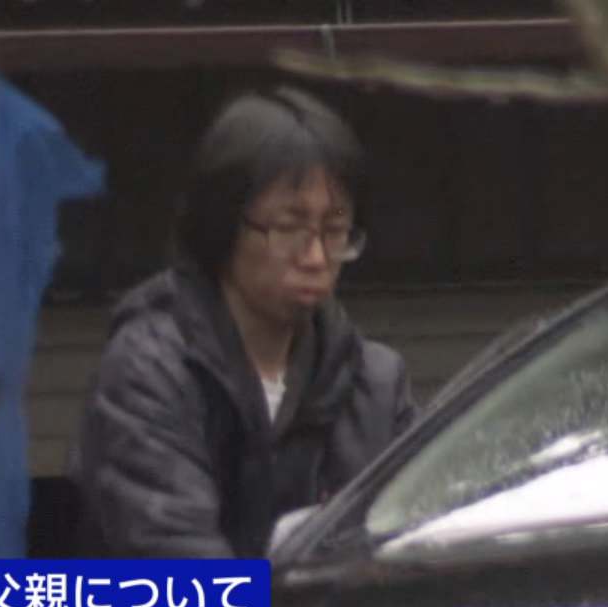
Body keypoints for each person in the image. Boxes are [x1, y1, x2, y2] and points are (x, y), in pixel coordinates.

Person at [72, 85, 416, 558]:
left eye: (335, 231)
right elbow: (182, 567)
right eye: (290, 229)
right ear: (223, 227)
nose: (316, 257)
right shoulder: (148, 371)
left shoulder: (375, 383)